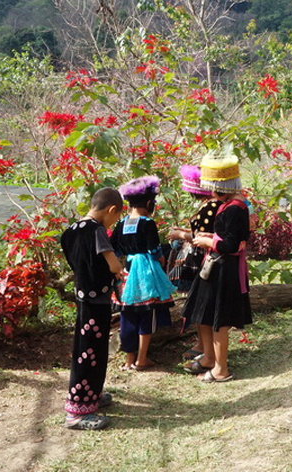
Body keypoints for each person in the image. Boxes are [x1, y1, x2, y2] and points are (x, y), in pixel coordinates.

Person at [182, 154, 252, 382]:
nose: (211, 193)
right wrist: (210, 235)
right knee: (203, 312)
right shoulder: (230, 206)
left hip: (224, 269)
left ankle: (221, 369)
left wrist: (208, 242)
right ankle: (209, 358)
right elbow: (228, 236)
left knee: (218, 319)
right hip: (215, 267)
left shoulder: (235, 208)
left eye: (213, 188)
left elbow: (231, 245)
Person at [60, 187, 125, 431]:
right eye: (116, 217)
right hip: (97, 302)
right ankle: (76, 412)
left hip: (83, 299)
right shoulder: (97, 231)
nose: (114, 222)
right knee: (90, 354)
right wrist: (119, 268)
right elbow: (112, 265)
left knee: (87, 349)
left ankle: (91, 395)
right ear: (111, 210)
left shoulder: (70, 232)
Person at [111, 176, 177, 372]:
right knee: (147, 314)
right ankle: (142, 359)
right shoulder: (147, 223)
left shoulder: (121, 224)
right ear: (149, 203)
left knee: (128, 315)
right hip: (146, 276)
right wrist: (162, 259)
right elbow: (155, 250)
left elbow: (113, 249)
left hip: (126, 275)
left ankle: (129, 360)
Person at [167, 164, 222, 359]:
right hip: (204, 258)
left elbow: (202, 236)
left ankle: (205, 349)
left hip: (202, 260)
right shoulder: (213, 205)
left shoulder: (210, 206)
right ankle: (203, 346)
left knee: (201, 305)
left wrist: (179, 234)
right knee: (199, 305)